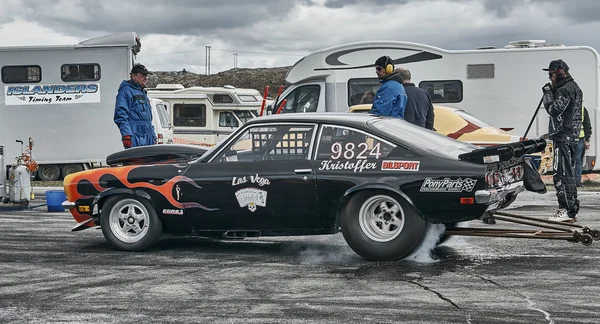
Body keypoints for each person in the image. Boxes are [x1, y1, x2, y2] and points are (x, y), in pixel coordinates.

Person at [542, 59, 583, 222]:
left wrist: (547, 93)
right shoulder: (574, 87)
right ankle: (571, 209)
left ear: (559, 73)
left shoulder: (565, 89)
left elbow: (554, 110)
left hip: (563, 137)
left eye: (551, 74)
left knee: (562, 173)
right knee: (569, 174)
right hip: (571, 136)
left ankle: (566, 209)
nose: (549, 77)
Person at [114, 63, 157, 149]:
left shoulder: (143, 93)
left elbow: (148, 119)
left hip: (147, 138)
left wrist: (153, 135)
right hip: (135, 137)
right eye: (143, 75)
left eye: (146, 75)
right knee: (135, 162)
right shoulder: (126, 91)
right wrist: (126, 135)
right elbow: (121, 115)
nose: (146, 78)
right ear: (134, 76)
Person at [576, 105, 592, 187]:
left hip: (569, 138)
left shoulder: (565, 105)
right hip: (580, 138)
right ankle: (577, 182)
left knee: (568, 160)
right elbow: (587, 124)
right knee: (578, 161)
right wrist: (587, 139)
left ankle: (569, 181)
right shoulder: (582, 108)